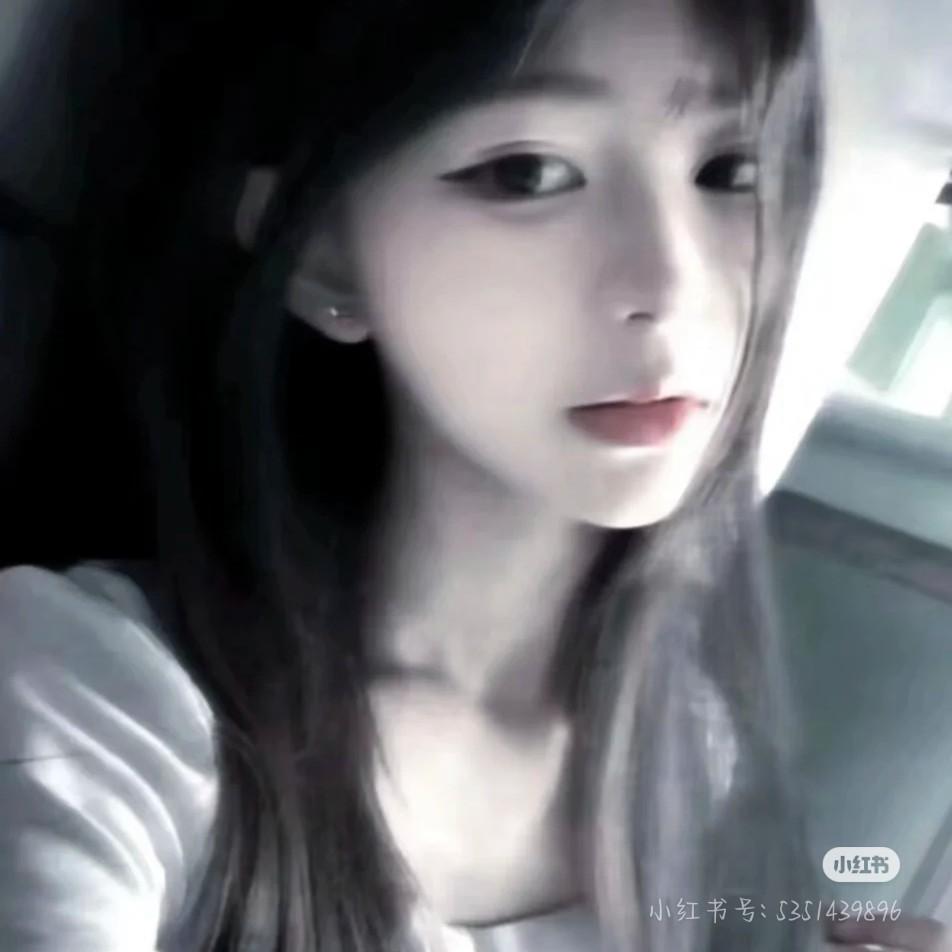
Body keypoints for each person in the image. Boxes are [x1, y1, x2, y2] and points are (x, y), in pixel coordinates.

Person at [0, 0, 847, 950]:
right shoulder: (96, 697)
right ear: (322, 252)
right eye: (528, 174)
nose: (671, 286)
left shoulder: (688, 746)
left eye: (731, 171)